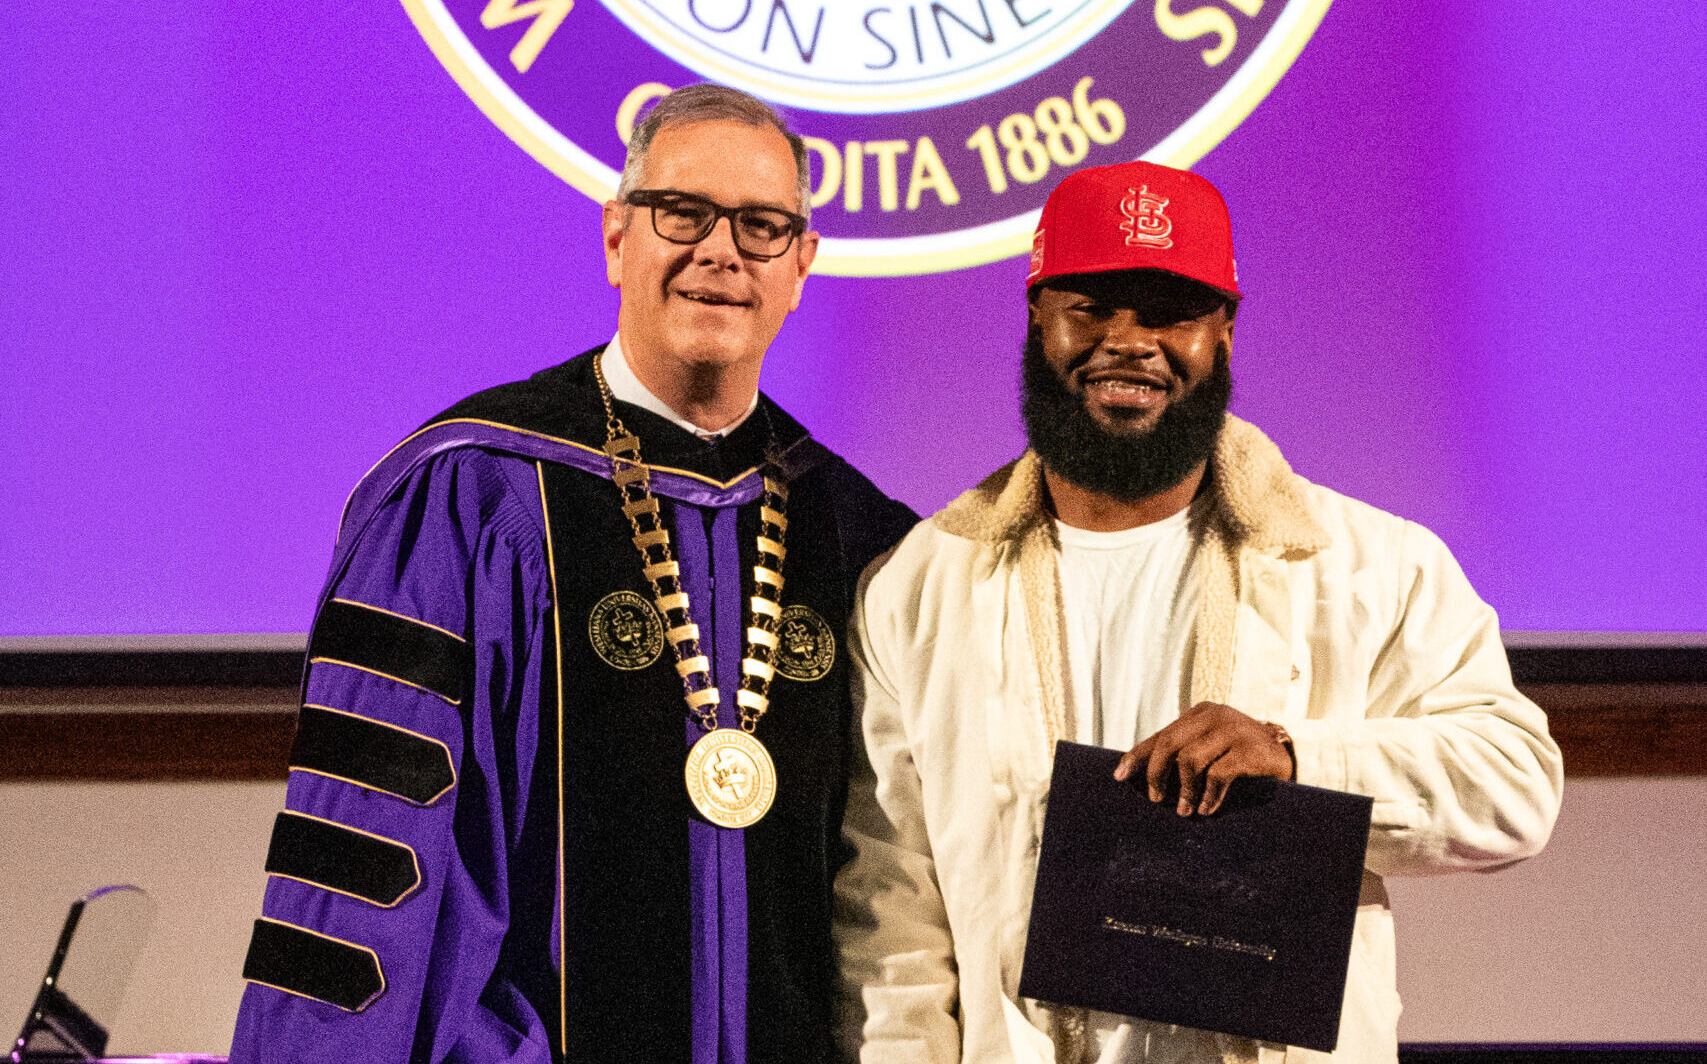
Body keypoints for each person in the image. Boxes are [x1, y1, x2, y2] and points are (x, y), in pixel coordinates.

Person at [232, 84, 915, 1064]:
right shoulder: (470, 499)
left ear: (800, 266)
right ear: (617, 237)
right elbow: (370, 886)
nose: (720, 251)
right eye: (683, 213)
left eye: (762, 225)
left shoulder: (858, 535)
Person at [834, 160, 1563, 1064]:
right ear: (1036, 316)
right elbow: (890, 907)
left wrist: (1299, 755)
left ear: (1223, 331)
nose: (1128, 341)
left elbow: (1516, 785)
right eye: (1091, 305)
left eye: (1168, 309)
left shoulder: (1370, 563)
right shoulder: (921, 584)